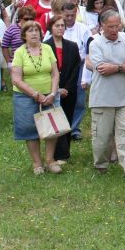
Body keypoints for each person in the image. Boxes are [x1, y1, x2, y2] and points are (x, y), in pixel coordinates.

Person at [88, 10, 125, 177]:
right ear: (102, 26)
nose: (114, 29)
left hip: (124, 97)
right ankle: (101, 165)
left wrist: (116, 67)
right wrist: (124, 67)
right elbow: (102, 69)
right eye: (110, 26)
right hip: (102, 98)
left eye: (117, 26)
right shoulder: (95, 44)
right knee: (102, 136)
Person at [10, 21, 62, 174]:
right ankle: (37, 163)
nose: (34, 33)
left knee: (52, 127)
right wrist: (35, 94)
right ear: (24, 35)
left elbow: (55, 73)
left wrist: (53, 93)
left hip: (49, 95)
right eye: (30, 31)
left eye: (36, 30)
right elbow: (16, 79)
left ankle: (50, 160)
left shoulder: (47, 48)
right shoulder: (19, 52)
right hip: (26, 96)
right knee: (29, 128)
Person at [44, 15, 81, 164]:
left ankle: (64, 154)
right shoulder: (45, 46)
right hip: (52, 90)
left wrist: (66, 88)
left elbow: (75, 68)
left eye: (62, 26)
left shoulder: (72, 46)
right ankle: (55, 154)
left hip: (69, 90)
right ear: (51, 28)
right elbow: (46, 70)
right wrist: (57, 89)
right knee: (54, 121)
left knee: (67, 119)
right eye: (57, 25)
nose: (60, 28)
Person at [59, 3, 91, 142]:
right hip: (60, 66)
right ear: (62, 14)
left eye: (73, 15)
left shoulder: (83, 29)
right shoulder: (57, 27)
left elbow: (89, 51)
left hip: (79, 66)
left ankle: (74, 128)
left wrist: (86, 77)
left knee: (78, 100)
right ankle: (60, 126)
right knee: (60, 97)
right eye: (67, 15)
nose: (70, 18)